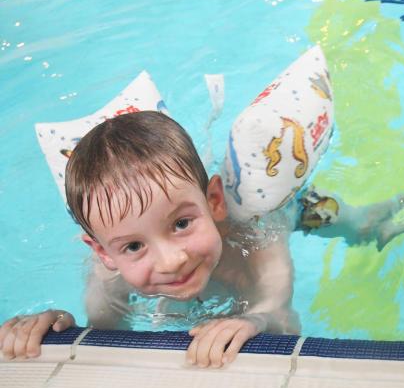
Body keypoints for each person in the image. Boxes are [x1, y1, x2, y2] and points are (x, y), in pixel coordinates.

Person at [0, 111, 299, 368]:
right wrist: (57, 326)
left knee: (333, 218)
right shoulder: (108, 280)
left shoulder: (259, 238)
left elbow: (280, 313)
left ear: (215, 201)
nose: (172, 261)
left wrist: (256, 321)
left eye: (182, 223)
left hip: (291, 207)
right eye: (133, 246)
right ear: (103, 253)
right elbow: (102, 340)